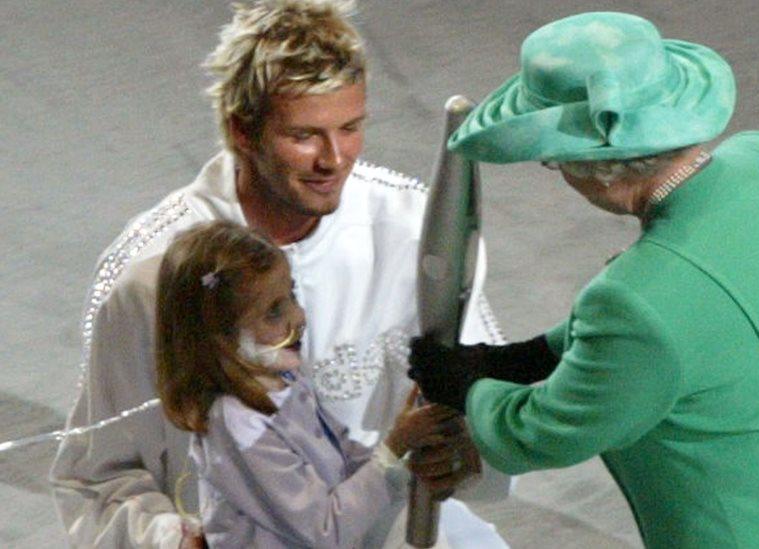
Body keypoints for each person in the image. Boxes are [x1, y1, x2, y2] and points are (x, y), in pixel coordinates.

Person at [408, 11, 759, 548]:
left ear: (582, 164)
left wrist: (471, 389)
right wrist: (527, 356)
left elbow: (549, 430)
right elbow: (693, 326)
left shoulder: (635, 301)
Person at [49, 1, 509, 547]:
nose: (334, 160)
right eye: (304, 135)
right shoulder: (150, 277)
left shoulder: (416, 229)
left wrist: (465, 447)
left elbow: (488, 405)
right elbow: (95, 479)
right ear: (242, 129)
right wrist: (172, 540)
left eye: (351, 128)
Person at [155, 221, 468, 548]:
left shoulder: (283, 378)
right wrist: (393, 449)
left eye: (291, 295)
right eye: (274, 313)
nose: (299, 316)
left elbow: (342, 453)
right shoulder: (239, 425)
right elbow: (324, 531)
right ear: (220, 341)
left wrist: (404, 462)